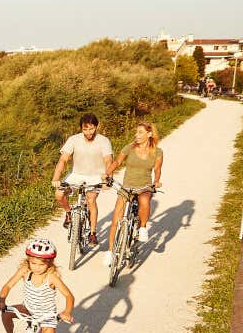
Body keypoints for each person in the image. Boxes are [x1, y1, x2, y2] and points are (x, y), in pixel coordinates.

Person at [104, 122, 163, 265]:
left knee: (144, 201)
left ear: (149, 134)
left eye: (140, 132)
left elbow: (157, 169)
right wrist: (107, 173)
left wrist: (156, 181)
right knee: (116, 219)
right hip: (127, 187)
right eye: (136, 132)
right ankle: (110, 252)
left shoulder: (157, 152)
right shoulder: (129, 147)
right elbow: (117, 161)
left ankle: (142, 228)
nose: (137, 135)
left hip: (144, 186)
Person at [52, 113, 113, 247]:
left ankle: (92, 233)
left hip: (95, 176)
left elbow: (108, 160)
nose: (88, 132)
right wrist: (56, 178)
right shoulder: (74, 139)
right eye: (85, 129)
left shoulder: (103, 141)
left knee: (91, 200)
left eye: (91, 129)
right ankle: (69, 213)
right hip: (76, 174)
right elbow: (63, 159)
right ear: (81, 128)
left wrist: (108, 176)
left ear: (96, 127)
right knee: (59, 194)